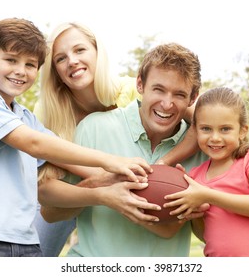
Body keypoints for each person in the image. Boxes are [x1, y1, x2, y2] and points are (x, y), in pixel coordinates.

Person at [0, 18, 153, 257]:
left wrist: (123, 179)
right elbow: (34, 144)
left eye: (30, 64)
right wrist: (110, 160)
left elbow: (65, 156)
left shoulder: (24, 116)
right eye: (11, 60)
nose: (20, 71)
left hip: (25, 242)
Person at [33, 22, 198, 256]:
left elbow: (203, 121)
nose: (72, 61)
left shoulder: (129, 90)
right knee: (36, 251)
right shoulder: (51, 112)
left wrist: (162, 165)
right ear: (55, 70)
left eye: (80, 50)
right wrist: (105, 187)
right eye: (60, 58)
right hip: (70, 188)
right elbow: (48, 194)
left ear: (98, 53)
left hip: (100, 192)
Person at [165, 87, 249, 257]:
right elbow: (204, 235)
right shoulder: (195, 176)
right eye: (206, 129)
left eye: (225, 129)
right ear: (195, 130)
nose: (215, 137)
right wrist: (195, 212)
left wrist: (207, 195)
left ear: (242, 131)